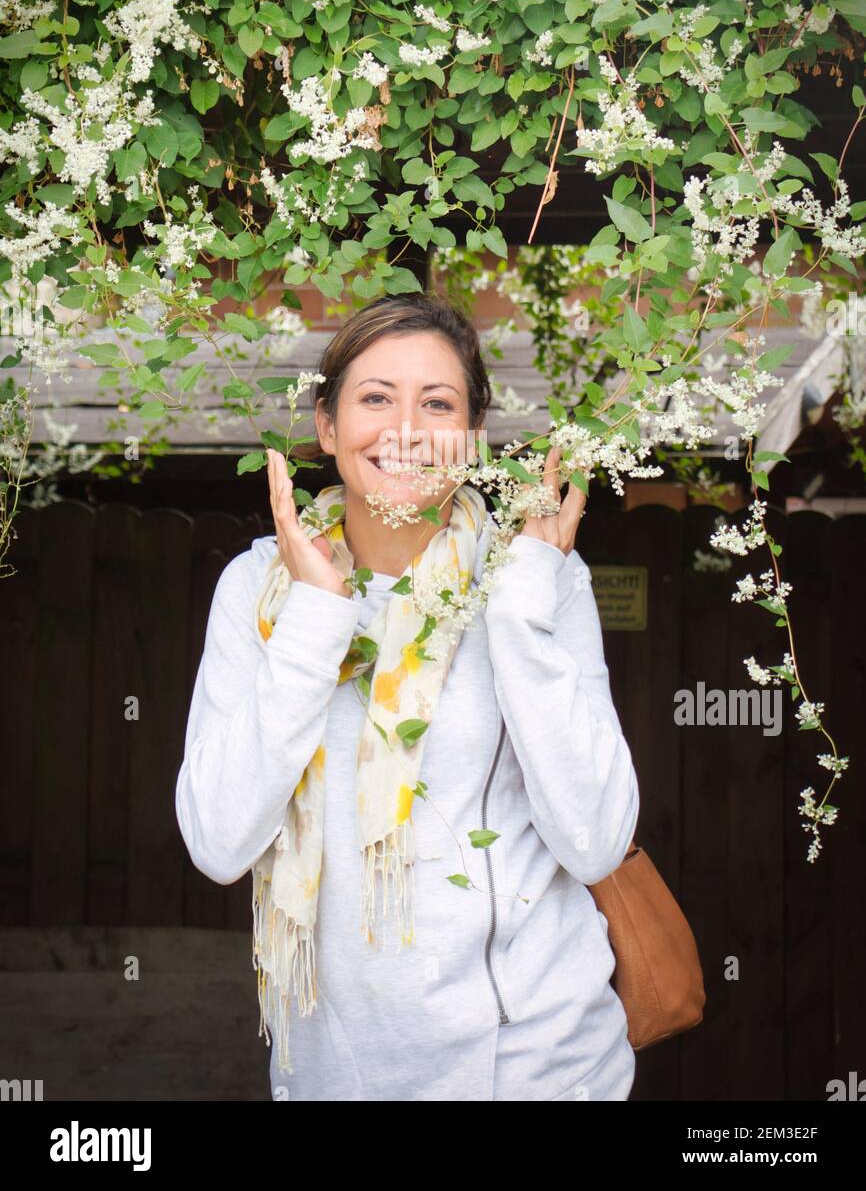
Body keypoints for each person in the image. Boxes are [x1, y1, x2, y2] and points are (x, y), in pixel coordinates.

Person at [175, 292, 640, 1101]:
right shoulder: (258, 588)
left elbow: (595, 841)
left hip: (535, 1070)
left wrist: (521, 609)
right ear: (326, 426)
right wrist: (317, 615)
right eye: (375, 398)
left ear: (473, 431)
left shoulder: (534, 580)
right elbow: (218, 843)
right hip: (336, 1071)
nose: (407, 429)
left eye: (437, 402)